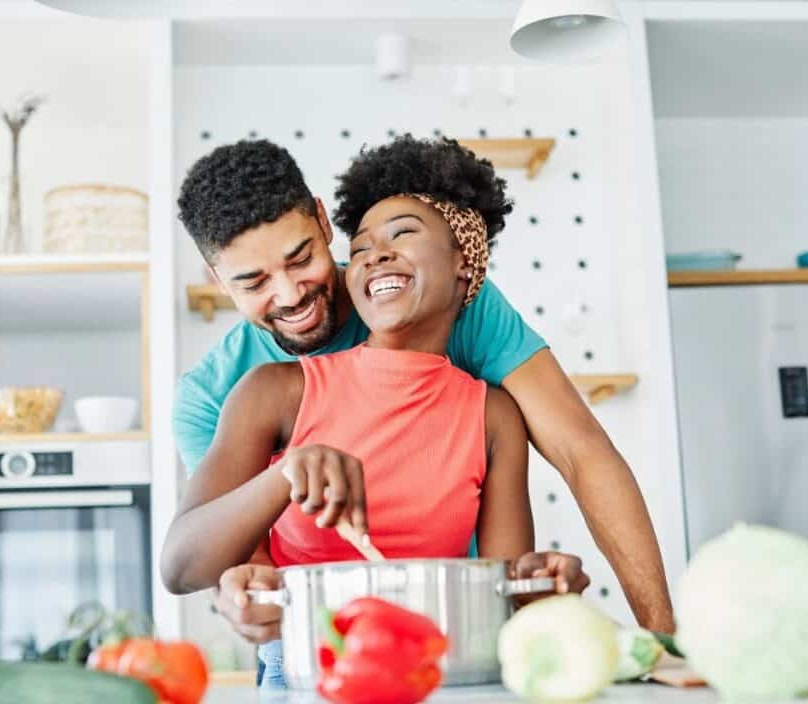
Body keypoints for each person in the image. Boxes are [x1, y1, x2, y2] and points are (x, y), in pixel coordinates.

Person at [169, 138, 674, 634]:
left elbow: (581, 452)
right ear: (217, 279)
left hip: (457, 631)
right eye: (253, 283)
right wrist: (248, 602)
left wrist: (661, 637)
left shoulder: (449, 306)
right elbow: (232, 571)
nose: (289, 294)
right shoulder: (227, 395)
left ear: (323, 223)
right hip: (321, 647)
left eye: (301, 259)